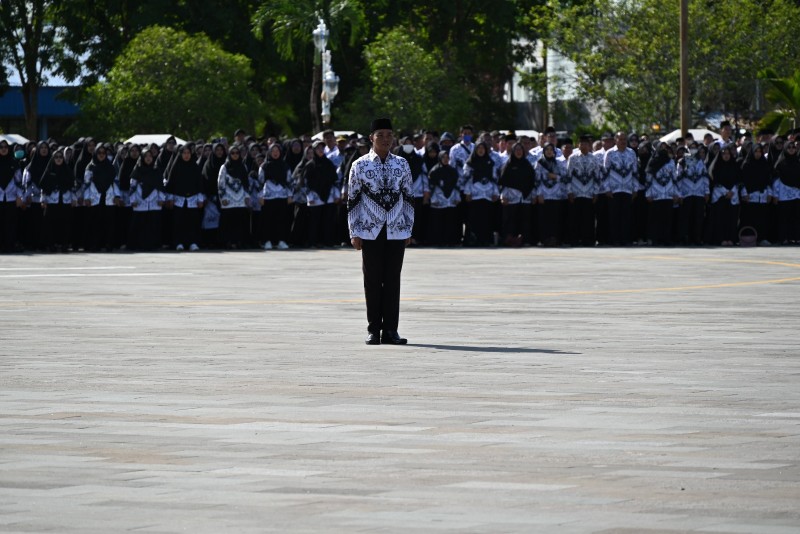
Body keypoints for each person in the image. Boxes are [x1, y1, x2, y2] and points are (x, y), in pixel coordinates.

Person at [347, 118, 414, 345]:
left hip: (396, 229)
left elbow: (408, 198)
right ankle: (374, 329)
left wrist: (407, 228)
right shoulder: (360, 165)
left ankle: (391, 331)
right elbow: (352, 200)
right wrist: (354, 232)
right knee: (372, 280)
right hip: (369, 230)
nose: (385, 139)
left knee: (393, 280)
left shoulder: (402, 164)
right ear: (371, 138)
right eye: (380, 134)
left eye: (389, 134)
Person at [165, 144, 205, 251]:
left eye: (188, 153)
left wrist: (200, 198)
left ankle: (192, 242)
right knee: (178, 222)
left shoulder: (195, 167)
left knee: (192, 222)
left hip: (193, 198)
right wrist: (170, 198)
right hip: (179, 199)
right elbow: (171, 184)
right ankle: (178, 242)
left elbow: (199, 184)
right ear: (180, 154)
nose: (186, 155)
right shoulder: (176, 166)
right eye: (184, 153)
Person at [82, 144, 120, 251]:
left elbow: (115, 182)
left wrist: (117, 195)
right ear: (95, 154)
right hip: (95, 196)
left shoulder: (111, 167)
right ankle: (94, 244)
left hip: (108, 197)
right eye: (99, 153)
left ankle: (108, 244)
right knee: (94, 222)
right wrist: (86, 197)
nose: (102, 155)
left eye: (104, 153)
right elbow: (86, 183)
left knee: (109, 222)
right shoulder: (91, 167)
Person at [39, 148, 77, 252]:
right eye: (56, 157)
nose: (59, 159)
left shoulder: (67, 170)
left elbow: (72, 186)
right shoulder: (49, 170)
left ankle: (64, 244)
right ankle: (51, 244)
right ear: (53, 159)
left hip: (65, 200)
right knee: (50, 224)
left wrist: (74, 199)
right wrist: (43, 200)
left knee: (65, 223)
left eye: (61, 157)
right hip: (51, 201)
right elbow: (44, 186)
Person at [566, 134, 601, 246]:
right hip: (576, 193)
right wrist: (569, 191)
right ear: (578, 145)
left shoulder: (594, 158)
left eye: (586, 144)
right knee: (575, 218)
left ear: (589, 145)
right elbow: (568, 176)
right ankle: (574, 240)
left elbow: (597, 177)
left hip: (589, 194)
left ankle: (588, 240)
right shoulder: (573, 158)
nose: (584, 146)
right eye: (581, 144)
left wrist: (596, 193)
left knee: (588, 219)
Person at [129, 150, 166, 251]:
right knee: (140, 223)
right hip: (140, 200)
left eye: (150, 156)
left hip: (154, 200)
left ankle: (153, 245)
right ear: (142, 158)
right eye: (146, 156)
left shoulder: (156, 170)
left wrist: (162, 198)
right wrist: (132, 200)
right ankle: (138, 245)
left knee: (153, 224)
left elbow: (161, 186)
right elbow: (132, 186)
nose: (148, 158)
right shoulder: (137, 170)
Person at [644, 142, 679, 246]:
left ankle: (666, 239)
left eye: (665, 148)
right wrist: (648, 193)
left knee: (667, 218)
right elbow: (648, 179)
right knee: (655, 219)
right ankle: (655, 239)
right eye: (661, 147)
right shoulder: (653, 161)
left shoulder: (671, 162)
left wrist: (676, 193)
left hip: (668, 194)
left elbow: (674, 178)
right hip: (656, 194)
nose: (663, 149)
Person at [258, 143, 292, 250]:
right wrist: (260, 196)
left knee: (281, 220)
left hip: (282, 196)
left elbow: (289, 181)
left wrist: (290, 195)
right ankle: (267, 241)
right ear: (269, 152)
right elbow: (260, 182)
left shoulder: (285, 166)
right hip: (268, 197)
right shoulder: (264, 166)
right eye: (273, 151)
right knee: (267, 220)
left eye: (277, 151)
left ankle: (281, 241)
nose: (275, 153)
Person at [217, 145, 251, 249]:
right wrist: (222, 198)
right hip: (228, 199)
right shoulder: (225, 167)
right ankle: (228, 241)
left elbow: (246, 183)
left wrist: (247, 196)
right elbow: (220, 183)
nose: (235, 155)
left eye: (237, 153)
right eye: (233, 153)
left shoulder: (243, 166)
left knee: (240, 221)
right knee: (228, 222)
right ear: (229, 154)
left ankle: (239, 241)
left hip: (241, 199)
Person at [708, 144, 741, 246]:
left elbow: (738, 179)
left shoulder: (734, 165)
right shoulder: (716, 166)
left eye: (728, 154)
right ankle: (721, 238)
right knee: (720, 219)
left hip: (732, 195)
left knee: (732, 219)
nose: (726, 156)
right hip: (720, 197)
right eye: (724, 154)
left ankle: (731, 238)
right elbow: (714, 181)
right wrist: (725, 191)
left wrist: (732, 191)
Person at [772, 140, 800, 244]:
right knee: (784, 217)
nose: (792, 149)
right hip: (783, 193)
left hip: (797, 193)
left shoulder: (797, 162)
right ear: (785, 149)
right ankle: (784, 238)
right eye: (789, 147)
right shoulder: (781, 163)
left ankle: (796, 237)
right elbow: (776, 179)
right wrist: (775, 194)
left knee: (796, 216)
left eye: (793, 147)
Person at [0, 140, 23, 252]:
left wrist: (19, 197)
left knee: (10, 223)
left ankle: (10, 245)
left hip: (11, 197)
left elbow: (19, 181)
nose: (3, 149)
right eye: (1, 147)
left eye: (5, 147)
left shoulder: (14, 163)